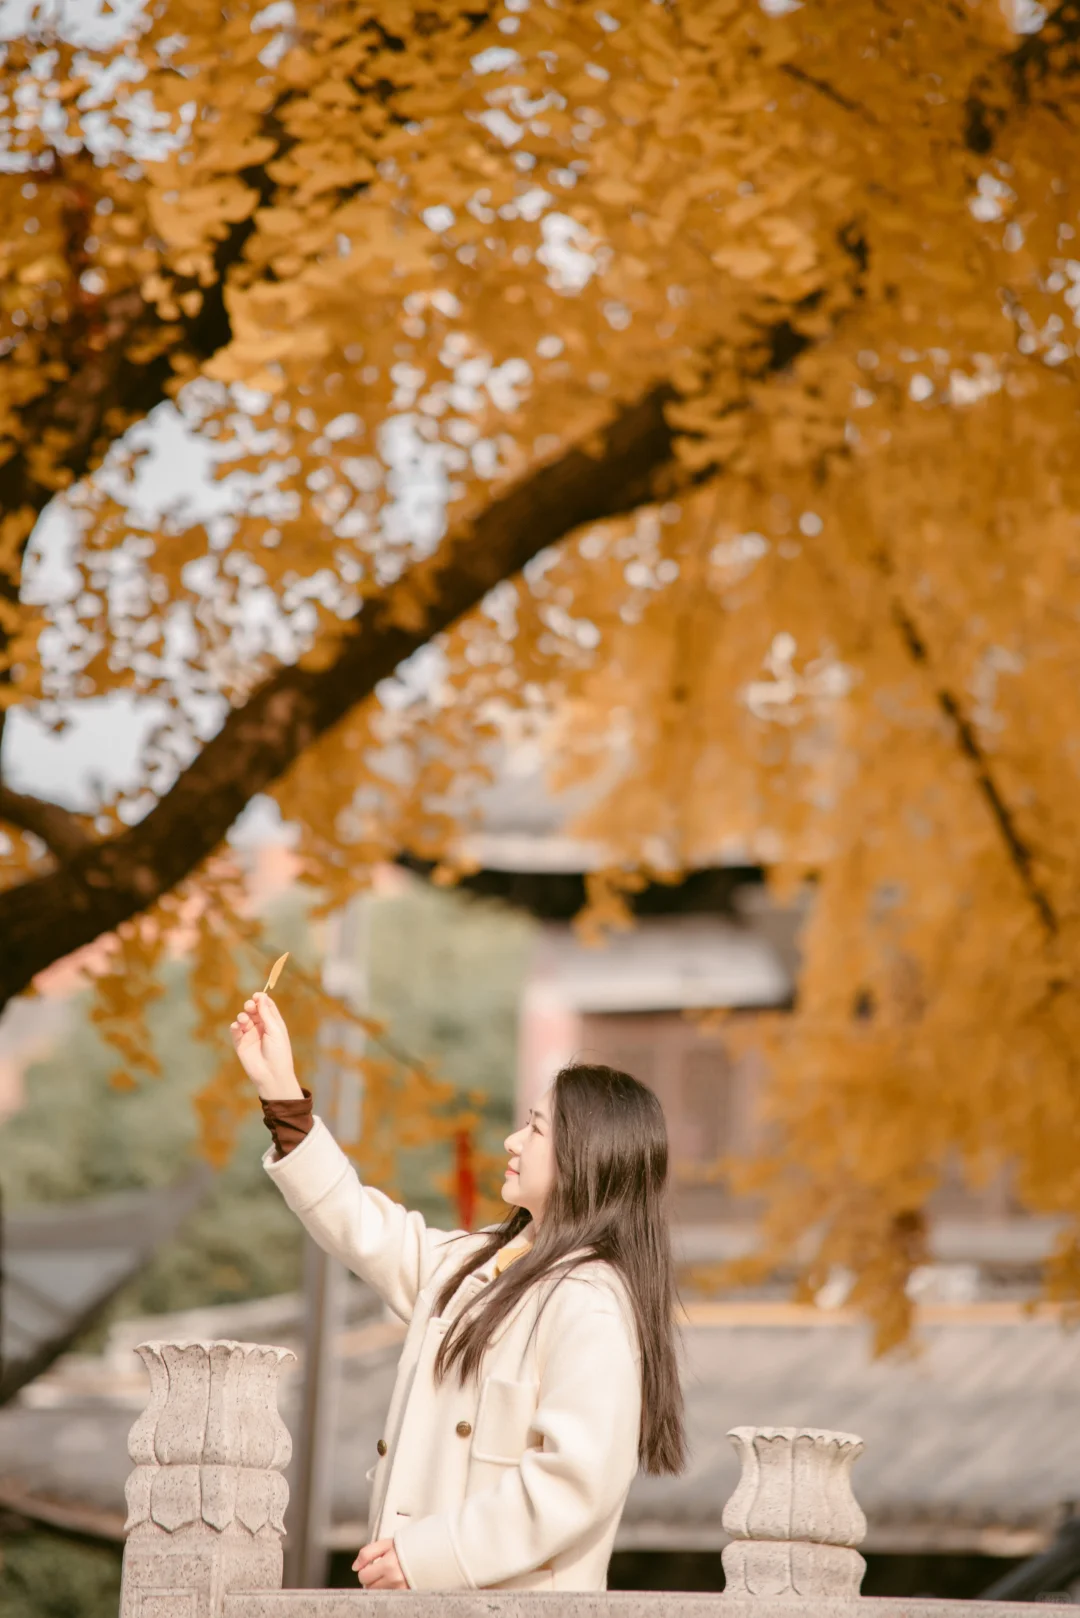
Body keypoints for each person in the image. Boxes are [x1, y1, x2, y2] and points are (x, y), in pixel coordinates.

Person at [230, 989, 686, 1593]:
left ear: (586, 1156)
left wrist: (425, 1557)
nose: (513, 1141)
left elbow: (574, 1484)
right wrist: (282, 1093)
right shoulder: (476, 1265)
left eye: (536, 1128)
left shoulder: (591, 1302)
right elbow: (359, 1225)